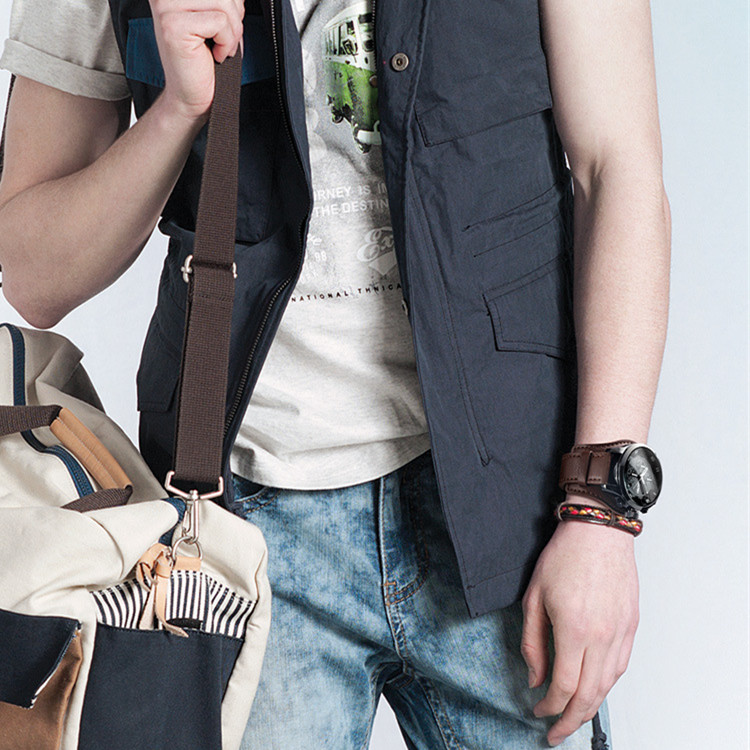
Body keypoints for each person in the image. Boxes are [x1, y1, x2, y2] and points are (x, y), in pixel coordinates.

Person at [0, 0, 670, 747]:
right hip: (242, 523)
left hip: (508, 508)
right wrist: (178, 111)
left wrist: (603, 512)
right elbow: (35, 276)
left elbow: (618, 170)